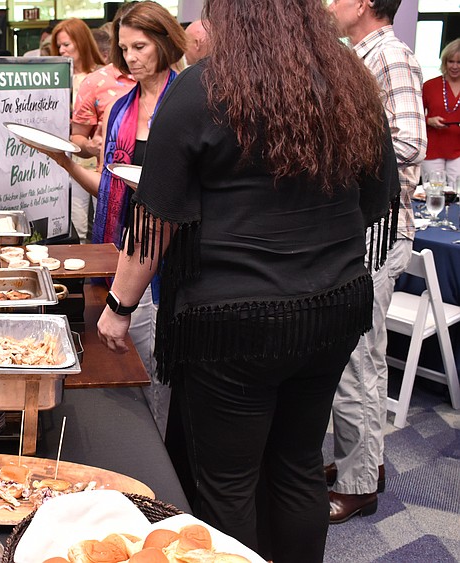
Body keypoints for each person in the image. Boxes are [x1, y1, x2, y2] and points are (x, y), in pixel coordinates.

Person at [97, 0, 399, 558]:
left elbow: (155, 218)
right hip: (332, 307)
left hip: (231, 324)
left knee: (228, 483)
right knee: (299, 464)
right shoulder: (351, 80)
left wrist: (119, 305)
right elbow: (376, 199)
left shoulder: (202, 89)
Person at [32, 1, 185, 439]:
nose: (132, 57)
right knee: (124, 364)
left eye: (141, 46)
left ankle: (161, 461)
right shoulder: (120, 109)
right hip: (123, 249)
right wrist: (65, 165)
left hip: (171, 256)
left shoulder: (184, 103)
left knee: (159, 369)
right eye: (125, 48)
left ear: (165, 42)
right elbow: (110, 190)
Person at [325, 0, 427, 524]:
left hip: (377, 234)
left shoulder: (389, 54)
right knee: (361, 355)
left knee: (357, 360)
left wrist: (330, 145)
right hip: (365, 231)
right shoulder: (361, 56)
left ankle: (359, 484)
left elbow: (410, 142)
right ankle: (365, 462)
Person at [51, 18, 105, 241]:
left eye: (67, 44)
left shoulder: (103, 77)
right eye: (59, 46)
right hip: (67, 160)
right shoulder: (54, 78)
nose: (62, 51)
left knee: (104, 222)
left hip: (101, 159)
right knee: (76, 225)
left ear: (81, 42)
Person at [421, 38, 460, 180]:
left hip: (458, 151)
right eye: (451, 61)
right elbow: (415, 115)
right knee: (433, 192)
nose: (455, 66)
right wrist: (428, 120)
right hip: (433, 150)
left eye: (459, 62)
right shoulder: (430, 86)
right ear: (444, 62)